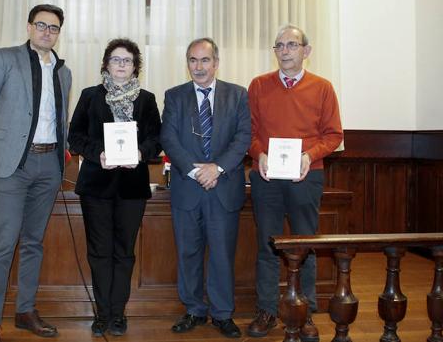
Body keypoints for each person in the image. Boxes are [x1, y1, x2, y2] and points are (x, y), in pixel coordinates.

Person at [0, 4, 72, 342]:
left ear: (59, 33)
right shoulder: (3, 58)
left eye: (54, 27)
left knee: (34, 242)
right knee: (3, 243)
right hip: (11, 167)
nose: (47, 32)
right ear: (29, 27)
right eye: (41, 25)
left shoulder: (63, 71)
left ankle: (25, 311)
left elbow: (61, 120)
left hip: (49, 165)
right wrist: (3, 147)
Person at [246, 25, 343, 342]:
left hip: (307, 175)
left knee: (306, 246)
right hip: (267, 178)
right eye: (279, 45)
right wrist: (258, 154)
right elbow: (249, 132)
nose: (285, 50)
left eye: (291, 44)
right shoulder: (259, 86)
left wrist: (308, 155)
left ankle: (307, 312)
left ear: (306, 51)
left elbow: (334, 135)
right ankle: (267, 310)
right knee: (267, 245)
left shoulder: (323, 88)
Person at [68, 38, 162, 337]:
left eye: (128, 60)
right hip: (96, 185)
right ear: (106, 63)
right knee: (99, 251)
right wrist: (99, 155)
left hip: (132, 188)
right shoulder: (90, 96)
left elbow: (156, 139)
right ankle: (102, 313)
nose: (121, 65)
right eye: (116, 59)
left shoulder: (146, 99)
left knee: (124, 252)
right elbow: (75, 137)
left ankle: (118, 314)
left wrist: (139, 153)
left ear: (136, 67)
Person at [160, 38, 251, 338]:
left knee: (223, 254)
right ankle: (194, 310)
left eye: (205, 60)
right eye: (192, 60)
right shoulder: (175, 96)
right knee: (188, 252)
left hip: (223, 187)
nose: (198, 67)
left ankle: (223, 314)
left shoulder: (237, 95)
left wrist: (218, 168)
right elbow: (169, 138)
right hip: (188, 187)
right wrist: (197, 170)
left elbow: (243, 137)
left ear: (216, 62)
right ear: (187, 63)